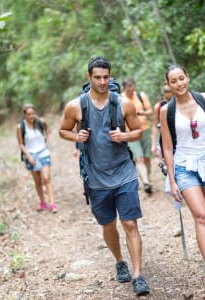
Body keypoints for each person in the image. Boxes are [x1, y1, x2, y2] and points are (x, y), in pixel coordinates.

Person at [58, 56, 150, 296]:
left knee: (130, 223)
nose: (102, 82)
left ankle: (138, 275)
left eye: (106, 77)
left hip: (124, 172)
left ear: (111, 77)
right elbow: (62, 130)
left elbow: (139, 131)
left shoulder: (123, 104)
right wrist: (76, 138)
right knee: (108, 225)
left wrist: (124, 137)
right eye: (97, 77)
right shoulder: (76, 106)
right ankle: (120, 260)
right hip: (96, 177)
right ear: (89, 77)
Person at [160, 64, 205, 288]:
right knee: (200, 215)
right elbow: (168, 147)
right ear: (168, 85)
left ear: (188, 78)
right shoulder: (166, 111)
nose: (179, 84)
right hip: (184, 167)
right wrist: (172, 180)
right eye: (174, 81)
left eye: (182, 78)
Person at [16, 104, 58, 213]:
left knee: (46, 178)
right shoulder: (20, 127)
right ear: (24, 115)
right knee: (38, 181)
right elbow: (21, 144)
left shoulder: (40, 121)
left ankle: (52, 204)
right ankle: (42, 202)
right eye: (29, 114)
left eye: (33, 114)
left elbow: (48, 130)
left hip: (43, 152)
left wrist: (47, 141)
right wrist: (28, 156)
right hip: (31, 155)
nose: (31, 116)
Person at [122, 78, 154, 194]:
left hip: (144, 129)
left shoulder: (141, 95)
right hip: (130, 132)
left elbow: (150, 111)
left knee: (146, 158)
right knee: (138, 157)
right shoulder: (121, 99)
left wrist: (141, 113)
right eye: (128, 88)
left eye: (132, 87)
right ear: (124, 88)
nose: (131, 90)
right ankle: (146, 182)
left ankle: (147, 179)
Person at [151, 84, 173, 176]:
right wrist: (153, 144)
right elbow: (155, 125)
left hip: (178, 137)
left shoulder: (179, 103)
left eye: (169, 92)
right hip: (164, 139)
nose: (167, 95)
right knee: (168, 164)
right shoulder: (159, 106)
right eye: (165, 92)